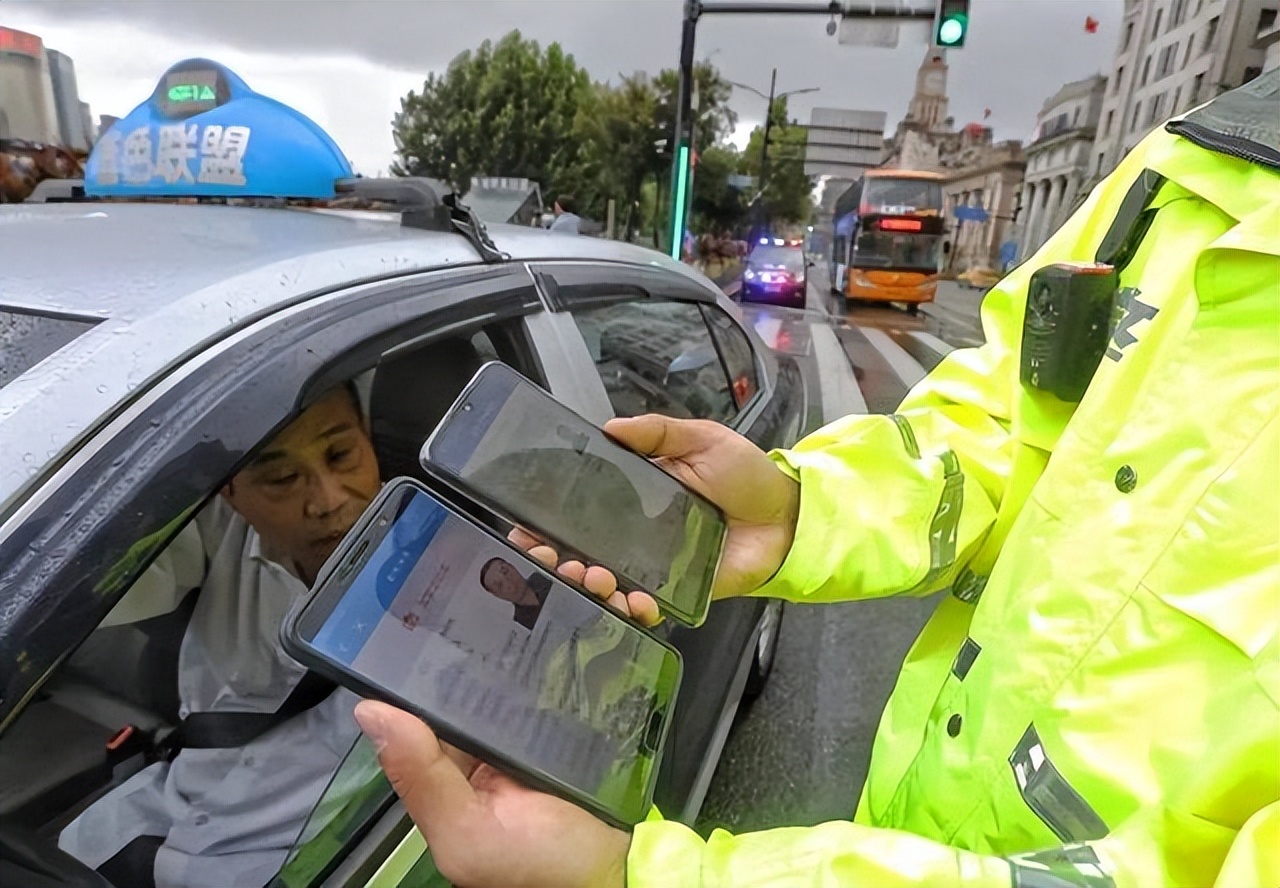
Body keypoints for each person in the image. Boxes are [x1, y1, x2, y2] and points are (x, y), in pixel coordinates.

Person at [350, 72, 1279, 887]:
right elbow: (1015, 424)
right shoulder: (1205, 156)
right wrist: (802, 510)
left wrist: (656, 878)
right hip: (904, 814)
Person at [59, 384, 383, 888]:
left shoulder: (442, 577)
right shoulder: (222, 531)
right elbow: (76, 589)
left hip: (290, 866)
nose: (328, 499)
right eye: (281, 477)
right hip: (153, 814)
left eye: (341, 454)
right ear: (228, 491)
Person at [478, 555, 551, 630]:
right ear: (497, 595)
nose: (507, 581)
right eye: (499, 585)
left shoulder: (544, 575)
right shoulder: (521, 625)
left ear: (512, 566)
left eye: (505, 571)